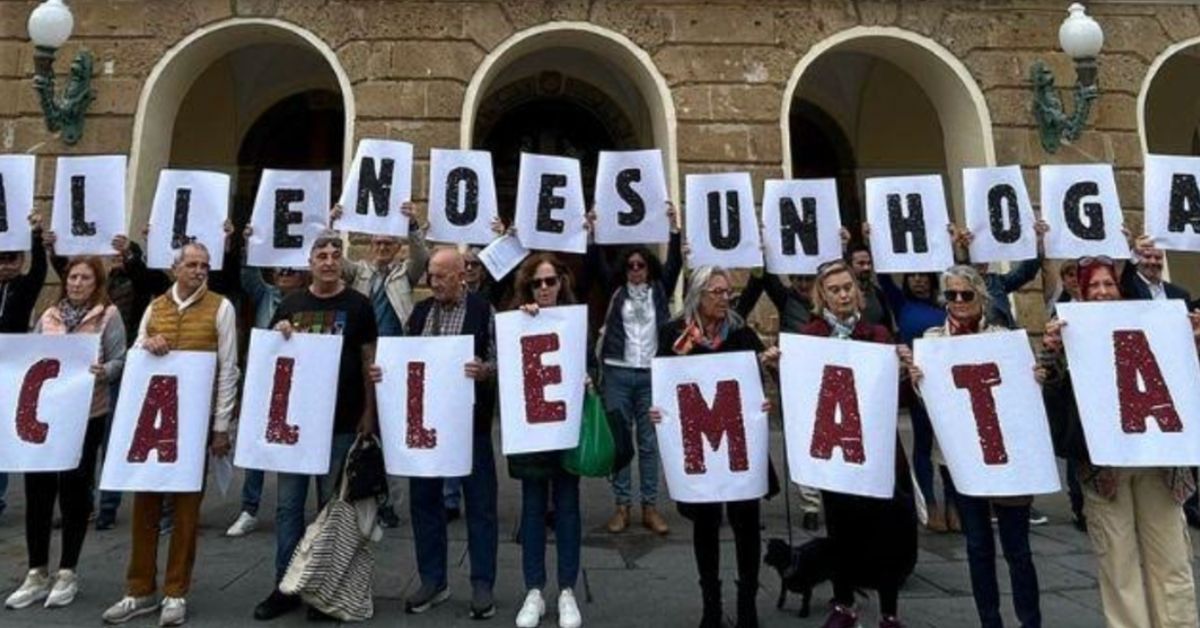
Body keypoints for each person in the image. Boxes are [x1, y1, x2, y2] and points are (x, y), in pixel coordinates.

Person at [1042, 256, 1199, 628]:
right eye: (1093, 285)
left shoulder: (1151, 323)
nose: (1101, 292)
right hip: (1104, 470)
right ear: (1081, 289)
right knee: (1118, 563)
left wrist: (1191, 343)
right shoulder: (1065, 332)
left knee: (1172, 559)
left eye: (1107, 284)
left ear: (1119, 287)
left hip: (1159, 464)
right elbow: (1052, 399)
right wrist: (1052, 354)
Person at [101, 241, 239, 627]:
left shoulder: (221, 307)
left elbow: (228, 369)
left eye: (205, 266)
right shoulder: (156, 306)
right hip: (154, 425)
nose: (199, 271)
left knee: (185, 512)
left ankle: (176, 590)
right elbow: (134, 352)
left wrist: (221, 426)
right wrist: (147, 342)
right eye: (192, 264)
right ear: (175, 268)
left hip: (194, 425)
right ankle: (139, 588)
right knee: (144, 506)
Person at [907, 265, 1043, 628]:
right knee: (978, 546)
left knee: (1018, 549)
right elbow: (931, 406)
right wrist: (919, 385)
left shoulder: (1005, 338)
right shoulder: (933, 340)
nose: (958, 302)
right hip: (960, 457)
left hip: (1007, 455)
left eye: (965, 295)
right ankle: (990, 621)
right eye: (950, 295)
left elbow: (1026, 393)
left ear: (980, 296)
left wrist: (1037, 375)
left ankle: (1030, 621)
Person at [253, 230, 378, 622]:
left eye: (333, 254)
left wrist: (369, 415)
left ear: (341, 262)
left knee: (331, 509)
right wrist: (279, 334)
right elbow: (270, 356)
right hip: (296, 425)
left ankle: (323, 588)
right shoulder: (291, 303)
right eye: (320, 254)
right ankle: (285, 585)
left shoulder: (359, 306)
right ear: (310, 262)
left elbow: (368, 361)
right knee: (289, 507)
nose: (327, 260)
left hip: (342, 421)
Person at [650, 265, 777, 628]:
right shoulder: (674, 336)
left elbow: (760, 385)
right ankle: (711, 603)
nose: (725, 299)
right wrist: (659, 411)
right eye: (717, 292)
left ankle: (747, 603)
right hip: (699, 448)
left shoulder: (742, 334)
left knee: (746, 523)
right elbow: (663, 386)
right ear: (698, 295)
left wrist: (764, 393)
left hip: (738, 444)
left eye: (728, 293)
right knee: (705, 525)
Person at [799, 260, 917, 628]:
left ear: (858, 291)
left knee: (885, 531)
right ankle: (844, 604)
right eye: (834, 289)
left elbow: (895, 395)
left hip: (877, 449)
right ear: (823, 297)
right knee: (840, 529)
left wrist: (905, 369)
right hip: (835, 451)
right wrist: (777, 366)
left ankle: (889, 611)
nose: (843, 294)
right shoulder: (811, 336)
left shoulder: (879, 335)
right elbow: (801, 387)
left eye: (847, 286)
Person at [4, 256, 126, 611]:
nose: (76, 283)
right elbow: (31, 354)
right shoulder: (48, 316)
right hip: (46, 417)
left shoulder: (108, 316)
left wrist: (104, 371)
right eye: (72, 276)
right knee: (37, 492)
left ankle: (67, 571)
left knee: (74, 493)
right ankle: (36, 571)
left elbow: (121, 358)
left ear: (96, 282)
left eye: (85, 278)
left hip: (87, 416)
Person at [395, 247, 499, 619]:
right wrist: (385, 373)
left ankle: (482, 582)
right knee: (424, 500)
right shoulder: (420, 314)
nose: (432, 282)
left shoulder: (483, 310)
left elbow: (502, 361)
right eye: (430, 276)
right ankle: (433, 579)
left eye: (440, 276)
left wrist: (485, 370)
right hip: (426, 423)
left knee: (480, 503)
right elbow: (404, 359)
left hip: (470, 424)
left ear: (461, 275)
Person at [507, 254, 585, 628]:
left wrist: (589, 378)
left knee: (568, 508)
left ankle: (567, 589)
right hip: (532, 431)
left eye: (550, 281)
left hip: (566, 429)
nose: (544, 288)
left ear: (561, 283)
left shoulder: (575, 320)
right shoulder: (516, 321)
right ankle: (534, 590)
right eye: (537, 282)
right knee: (533, 509)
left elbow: (592, 364)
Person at [595, 203, 681, 536]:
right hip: (618, 371)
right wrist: (593, 233)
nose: (635, 270)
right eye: (630, 265)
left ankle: (649, 506)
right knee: (621, 443)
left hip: (650, 374)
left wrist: (674, 230)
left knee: (648, 442)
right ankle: (621, 506)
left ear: (649, 267)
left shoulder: (659, 290)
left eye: (640, 265)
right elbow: (598, 264)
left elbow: (675, 264)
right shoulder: (616, 292)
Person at [224, 235, 311, 538]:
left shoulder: (309, 301)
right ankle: (249, 508)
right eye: (280, 270)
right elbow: (248, 274)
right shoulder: (266, 295)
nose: (284, 275)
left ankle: (302, 507)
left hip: (299, 381)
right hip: (263, 377)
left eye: (292, 270)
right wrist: (249, 243)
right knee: (255, 442)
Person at [736, 269, 824, 530]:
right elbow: (763, 277)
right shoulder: (787, 300)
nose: (803, 284)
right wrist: (761, 247)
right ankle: (811, 504)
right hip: (797, 382)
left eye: (808, 279)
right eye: (798, 279)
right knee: (800, 441)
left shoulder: (830, 300)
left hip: (828, 379)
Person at [878, 268, 955, 532]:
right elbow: (884, 276)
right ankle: (930, 506)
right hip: (918, 383)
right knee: (923, 443)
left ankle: (953, 505)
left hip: (946, 384)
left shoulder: (947, 305)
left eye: (923, 275)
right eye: (913, 275)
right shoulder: (901, 303)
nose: (918, 280)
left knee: (949, 444)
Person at [0, 213, 50, 521]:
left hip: (10, 370)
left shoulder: (24, 286)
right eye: (1, 258)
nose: (6, 264)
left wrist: (35, 235)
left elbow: (41, 271)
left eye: (12, 258)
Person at [845, 242, 892, 328]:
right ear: (849, 266)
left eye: (869, 263)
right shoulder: (842, 295)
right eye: (861, 263)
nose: (866, 268)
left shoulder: (878, 293)